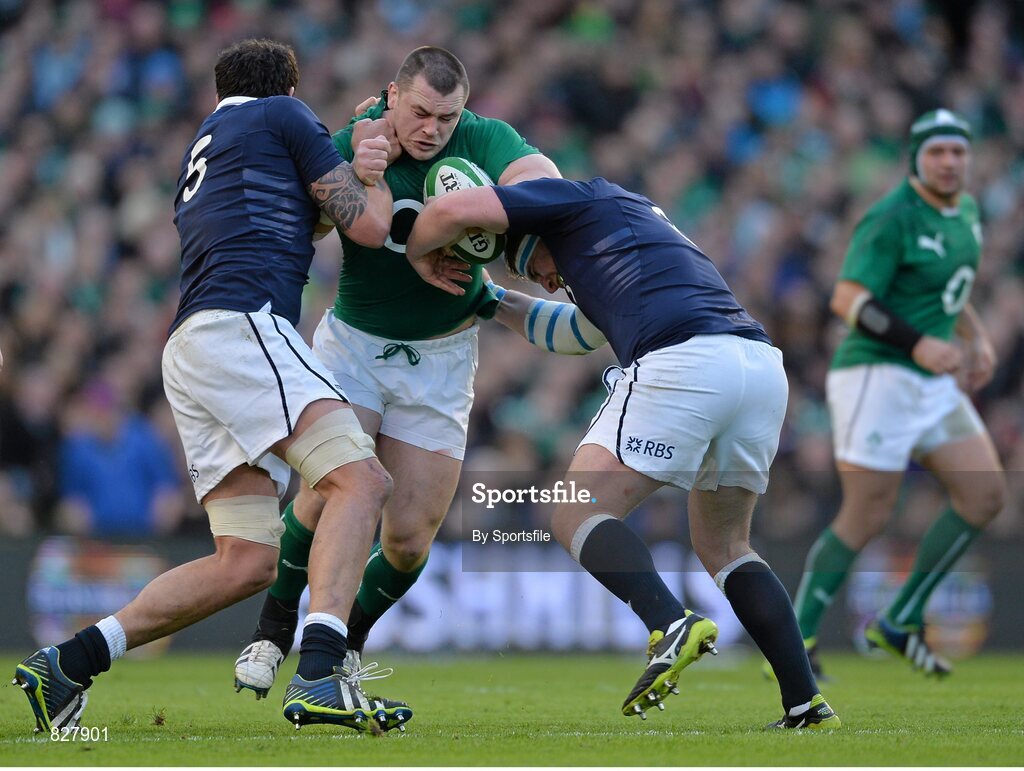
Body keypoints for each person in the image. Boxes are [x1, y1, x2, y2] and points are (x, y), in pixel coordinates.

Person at [13, 39, 412, 735]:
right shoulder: (282, 117)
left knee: (248, 560)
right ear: (286, 89)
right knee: (362, 481)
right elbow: (368, 226)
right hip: (243, 329)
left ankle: (67, 663)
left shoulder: (210, 142)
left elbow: (301, 218)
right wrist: (370, 167)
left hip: (194, 346)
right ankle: (318, 671)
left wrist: (344, 164)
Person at [404, 176, 841, 730]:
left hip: (685, 362)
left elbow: (458, 207)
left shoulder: (569, 200)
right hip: (757, 367)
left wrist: (413, 254)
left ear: (531, 233)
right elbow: (573, 334)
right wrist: (489, 299)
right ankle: (805, 703)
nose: (547, 282)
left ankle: (668, 622)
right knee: (726, 545)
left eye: (531, 268)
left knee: (572, 511)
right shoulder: (618, 229)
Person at [233, 45, 569, 698]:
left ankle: (344, 642)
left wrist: (484, 208)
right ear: (393, 94)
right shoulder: (354, 140)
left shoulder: (482, 139)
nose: (433, 130)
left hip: (442, 360)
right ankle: (274, 629)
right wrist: (354, 178)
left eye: (447, 118)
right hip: (355, 348)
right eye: (421, 113)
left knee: (410, 540)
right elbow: (311, 224)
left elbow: (541, 180)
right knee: (334, 490)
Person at [788, 109, 1005, 678]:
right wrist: (918, 345)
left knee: (984, 495)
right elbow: (848, 299)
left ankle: (899, 621)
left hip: (929, 380)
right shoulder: (892, 217)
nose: (950, 161)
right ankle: (795, 641)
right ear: (916, 157)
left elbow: (945, 289)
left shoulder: (967, 211)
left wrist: (974, 334)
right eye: (938, 152)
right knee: (867, 513)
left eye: (958, 151)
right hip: (875, 376)